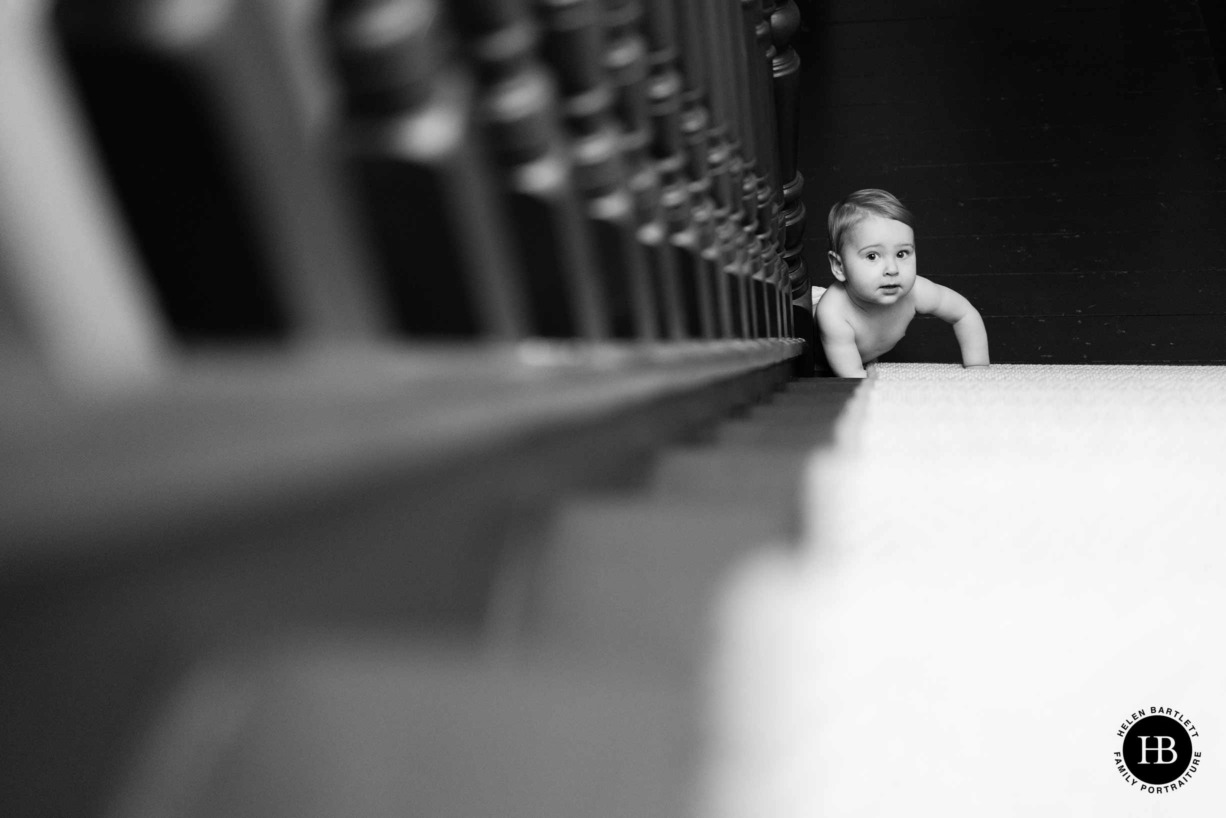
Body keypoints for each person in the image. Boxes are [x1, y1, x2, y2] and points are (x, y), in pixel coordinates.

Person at [812, 189, 989, 378]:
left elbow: (964, 314)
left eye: (901, 254)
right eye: (872, 256)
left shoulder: (916, 291)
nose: (892, 269)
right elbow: (852, 377)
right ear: (839, 266)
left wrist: (977, 368)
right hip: (813, 352)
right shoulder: (833, 312)